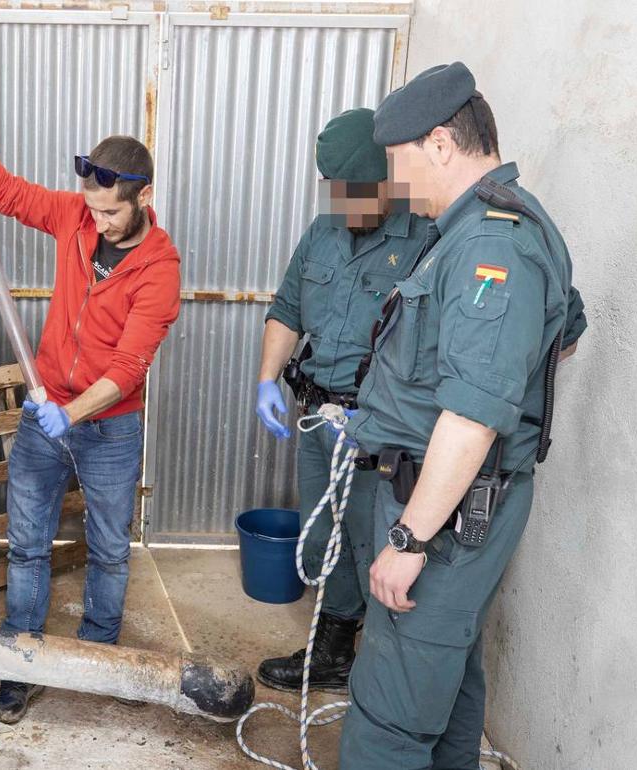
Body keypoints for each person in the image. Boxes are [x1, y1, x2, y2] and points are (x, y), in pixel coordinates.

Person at [336, 62, 587, 768]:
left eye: (398, 161)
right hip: (448, 500)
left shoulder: (491, 243)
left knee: (391, 710)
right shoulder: (484, 225)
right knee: (446, 682)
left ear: (441, 144)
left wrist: (412, 539)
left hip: (444, 514)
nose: (393, 181)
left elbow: (474, 417)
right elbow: (561, 335)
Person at [0, 84, 182, 724]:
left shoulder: (160, 267)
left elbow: (128, 368)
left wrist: (75, 412)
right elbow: (1, 191)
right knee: (27, 545)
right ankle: (22, 664)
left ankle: (95, 660)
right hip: (46, 414)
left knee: (111, 549)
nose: (98, 222)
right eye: (92, 210)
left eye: (111, 214)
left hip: (109, 426)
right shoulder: (76, 215)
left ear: (143, 198)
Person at [254, 108, 431, 692]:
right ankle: (331, 653)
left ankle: (381, 668)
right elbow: (287, 308)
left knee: (373, 545)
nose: (346, 208)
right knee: (324, 534)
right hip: (320, 422)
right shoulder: (325, 227)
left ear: (389, 181)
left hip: (381, 434)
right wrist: (265, 380)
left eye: (358, 195)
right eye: (337, 194)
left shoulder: (430, 232)